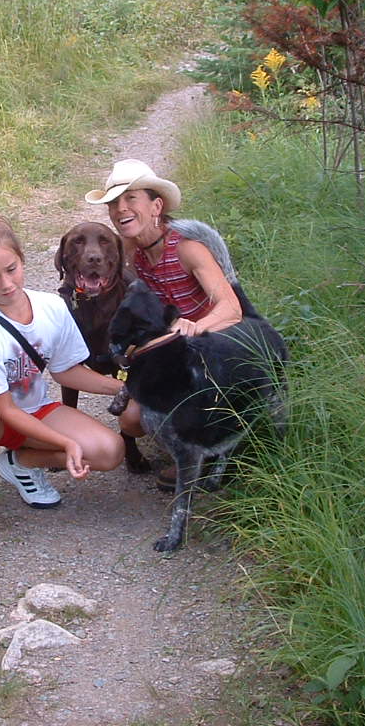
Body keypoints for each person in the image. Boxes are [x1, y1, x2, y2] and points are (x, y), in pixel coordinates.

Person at [0, 202, 125, 545]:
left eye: (11, 270)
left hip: (33, 410)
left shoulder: (52, 307)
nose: (6, 284)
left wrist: (124, 387)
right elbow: (6, 410)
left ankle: (20, 463)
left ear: (22, 260)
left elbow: (66, 371)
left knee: (110, 451)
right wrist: (65, 443)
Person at [84, 159, 246, 484]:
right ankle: (192, 444)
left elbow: (232, 308)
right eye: (114, 203)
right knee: (131, 420)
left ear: (156, 206)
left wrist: (195, 326)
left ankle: (212, 449)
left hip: (210, 350)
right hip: (173, 353)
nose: (120, 209)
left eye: (131, 198)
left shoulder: (187, 247)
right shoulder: (133, 251)